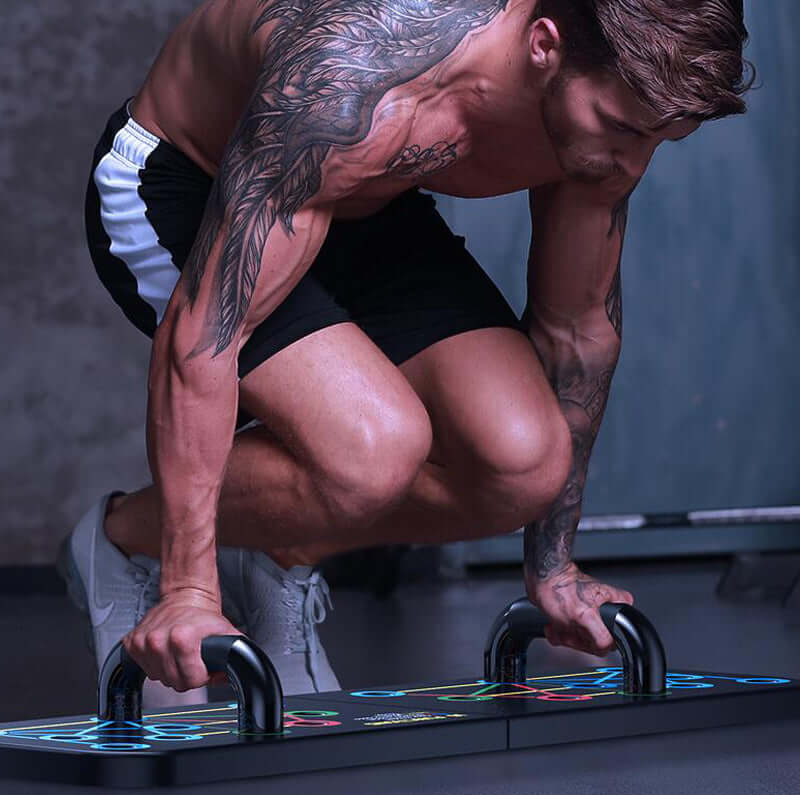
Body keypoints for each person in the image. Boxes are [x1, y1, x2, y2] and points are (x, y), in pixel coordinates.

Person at [60, 0, 753, 705]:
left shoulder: (606, 118)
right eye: (622, 128)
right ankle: (125, 544)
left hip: (364, 196)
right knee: (370, 451)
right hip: (189, 181)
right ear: (544, 45)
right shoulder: (359, 67)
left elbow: (576, 329)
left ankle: (275, 551)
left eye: (663, 139)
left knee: (523, 463)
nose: (632, 162)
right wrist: (188, 588)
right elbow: (203, 338)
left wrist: (554, 569)